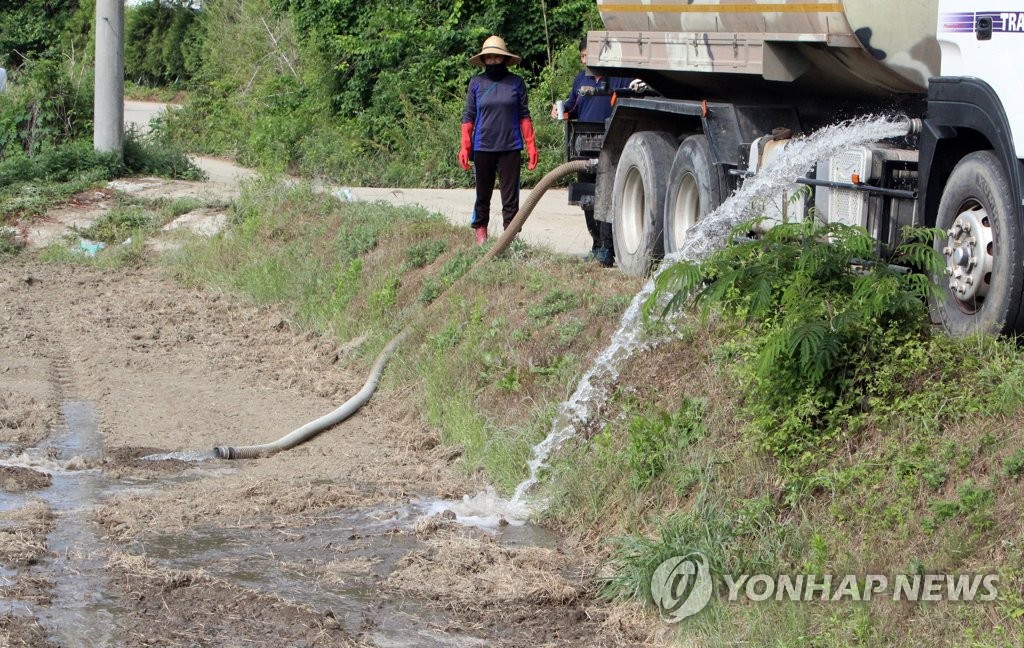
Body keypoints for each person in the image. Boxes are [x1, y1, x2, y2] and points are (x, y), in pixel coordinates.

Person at [551, 39, 640, 267]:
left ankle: (608, 249)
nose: (585, 60)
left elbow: (634, 93)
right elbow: (572, 107)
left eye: (588, 55)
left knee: (607, 196)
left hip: (611, 146)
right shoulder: (581, 80)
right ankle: (596, 244)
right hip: (584, 146)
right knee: (588, 199)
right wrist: (559, 110)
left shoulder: (618, 77)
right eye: (582, 56)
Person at [459, 35, 539, 245]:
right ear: (484, 60)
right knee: (482, 192)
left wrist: (531, 146)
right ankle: (481, 231)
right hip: (483, 146)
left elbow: (524, 115)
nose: (493, 61)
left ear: (504, 59)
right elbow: (469, 117)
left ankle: (509, 236)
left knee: (510, 196)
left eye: (497, 57)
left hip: (510, 146)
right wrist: (465, 147)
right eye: (489, 58)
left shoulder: (516, 83)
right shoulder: (476, 83)